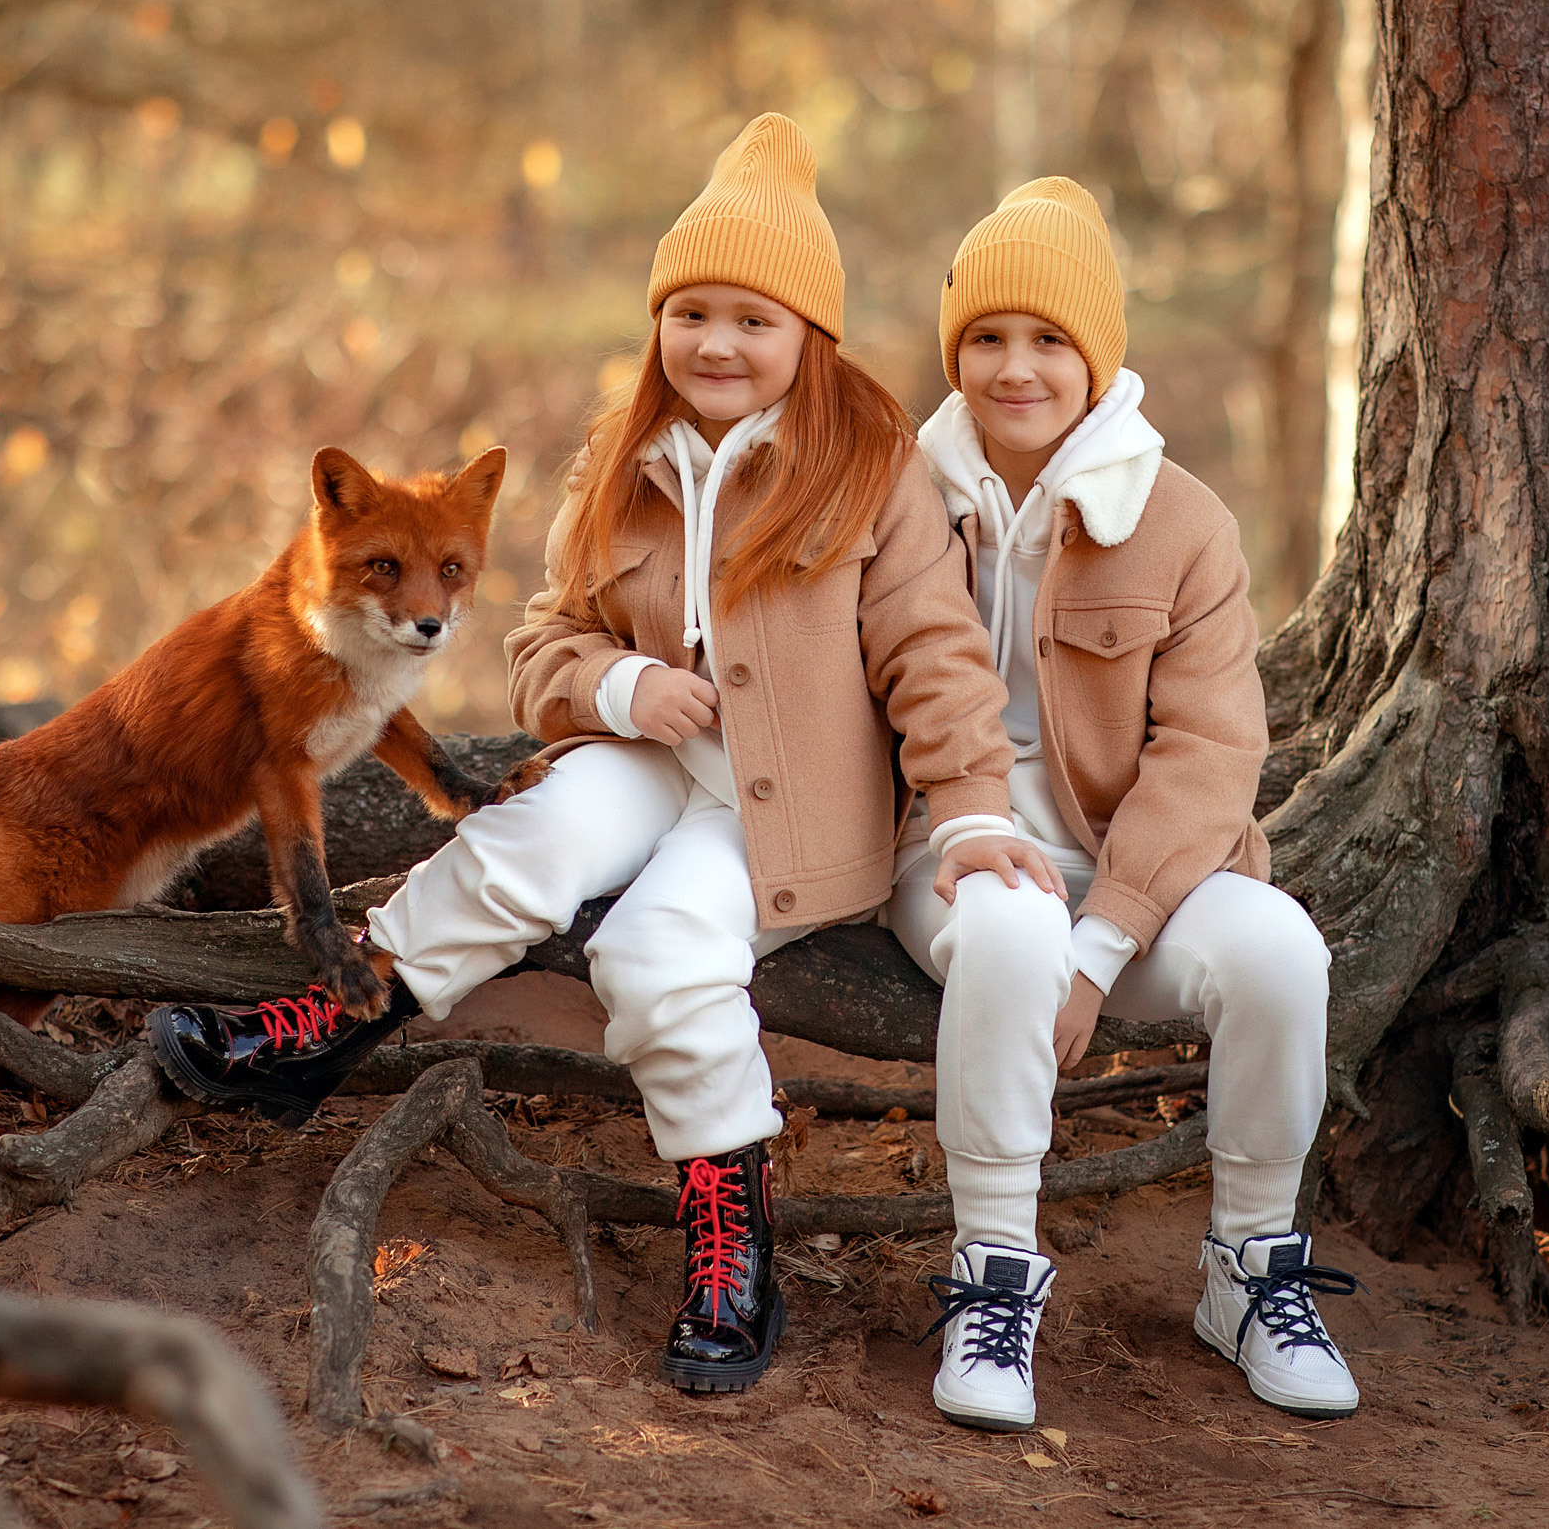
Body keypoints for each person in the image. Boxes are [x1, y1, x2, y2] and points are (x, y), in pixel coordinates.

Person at [150, 113, 1040, 1393]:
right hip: (649, 755)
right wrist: (617, 683)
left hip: (785, 807)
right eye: (690, 314)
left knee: (654, 952)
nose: (716, 343)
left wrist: (968, 812)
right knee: (524, 837)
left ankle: (731, 1236)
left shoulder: (870, 471)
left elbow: (934, 655)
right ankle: (332, 1019)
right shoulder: (621, 457)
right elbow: (541, 637)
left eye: (753, 319)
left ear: (809, 335)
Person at [889, 177, 1359, 1433]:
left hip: (1133, 864)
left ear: (1096, 358)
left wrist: (1099, 949)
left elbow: (1208, 751)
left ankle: (1249, 1268)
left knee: (1279, 951)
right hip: (949, 849)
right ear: (952, 351)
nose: (1015, 368)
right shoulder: (895, 496)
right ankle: (992, 1272)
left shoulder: (1181, 521)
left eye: (1049, 339)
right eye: (987, 337)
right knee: (1006, 928)